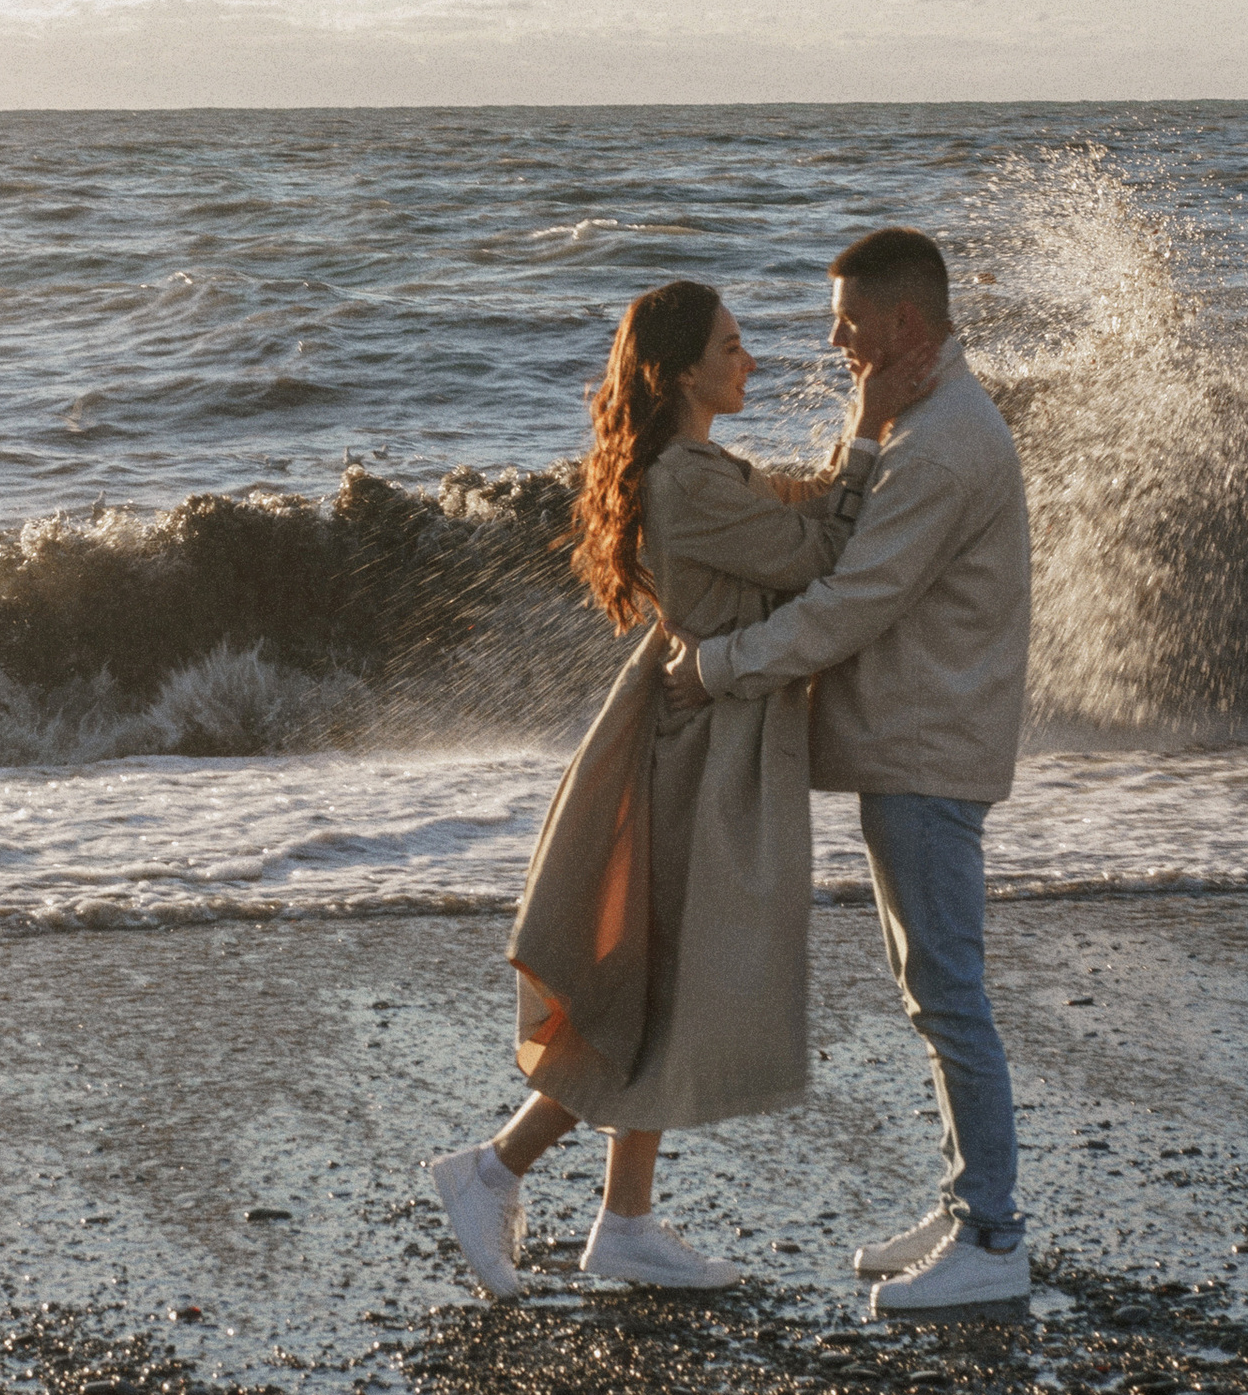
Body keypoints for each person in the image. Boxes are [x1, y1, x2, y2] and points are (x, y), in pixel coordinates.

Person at [426, 278, 920, 1295]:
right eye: (733, 349)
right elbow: (823, 550)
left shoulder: (697, 468)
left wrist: (859, 438)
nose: (750, 363)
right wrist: (870, 426)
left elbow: (803, 518)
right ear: (682, 369)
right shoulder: (689, 480)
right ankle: (492, 1170)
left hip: (702, 735)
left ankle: (624, 1222)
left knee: (663, 985)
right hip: (694, 749)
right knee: (651, 989)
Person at [665, 224, 1032, 1312]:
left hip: (926, 749)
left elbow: (849, 601)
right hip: (911, 741)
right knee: (932, 991)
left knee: (949, 996)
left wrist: (718, 668)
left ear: (905, 323)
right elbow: (841, 540)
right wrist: (862, 426)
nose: (832, 340)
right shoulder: (917, 424)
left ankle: (994, 1237)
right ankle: (971, 1202)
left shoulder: (945, 446)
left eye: (849, 321)